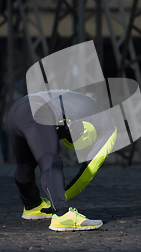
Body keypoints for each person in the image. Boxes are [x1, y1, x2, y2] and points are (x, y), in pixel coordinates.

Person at [6, 89, 117, 231]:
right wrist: (59, 198)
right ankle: (63, 215)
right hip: (39, 109)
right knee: (51, 160)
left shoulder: (79, 110)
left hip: (17, 109)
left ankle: (33, 205)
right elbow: (86, 173)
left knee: (25, 164)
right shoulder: (109, 129)